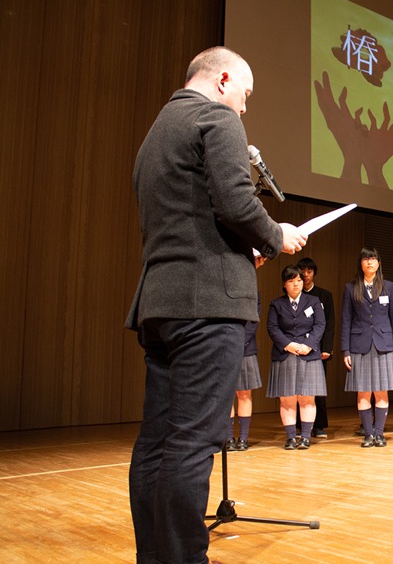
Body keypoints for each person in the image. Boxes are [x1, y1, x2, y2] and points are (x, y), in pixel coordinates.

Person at [125, 46, 307, 564]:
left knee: (157, 441)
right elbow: (234, 201)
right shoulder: (216, 117)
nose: (245, 109)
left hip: (160, 305)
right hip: (208, 307)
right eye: (246, 96)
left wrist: (242, 244)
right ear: (224, 80)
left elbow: (191, 216)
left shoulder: (155, 134)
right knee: (192, 442)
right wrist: (275, 236)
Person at [340, 247, 393, 447]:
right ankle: (368, 433)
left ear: (378, 263)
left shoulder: (389, 287)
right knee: (363, 391)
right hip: (359, 345)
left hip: (384, 344)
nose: (369, 262)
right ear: (361, 263)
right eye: (366, 259)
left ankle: (379, 433)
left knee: (382, 391)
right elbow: (346, 321)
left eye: (373, 258)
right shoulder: (351, 288)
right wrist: (345, 350)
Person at [267, 265, 327, 450]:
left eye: (299, 280)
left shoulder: (314, 301)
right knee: (287, 398)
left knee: (307, 397)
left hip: (308, 354)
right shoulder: (277, 304)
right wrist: (288, 345)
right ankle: (291, 437)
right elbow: (272, 328)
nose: (296, 284)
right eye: (291, 281)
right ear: (284, 284)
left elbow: (320, 324)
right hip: (285, 354)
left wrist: (308, 346)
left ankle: (306, 437)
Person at [226, 256, 267, 452]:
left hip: (246, 347)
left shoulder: (253, 291)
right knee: (226, 395)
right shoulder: (224, 288)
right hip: (225, 347)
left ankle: (243, 437)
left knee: (245, 393)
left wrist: (241, 340)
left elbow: (254, 320)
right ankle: (227, 437)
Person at [296, 257, 335, 438]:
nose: (305, 275)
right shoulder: (294, 295)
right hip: (297, 348)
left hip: (318, 349)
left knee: (317, 388)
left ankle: (318, 425)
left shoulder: (324, 296)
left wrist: (327, 347)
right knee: (299, 388)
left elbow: (329, 324)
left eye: (309, 271)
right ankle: (301, 426)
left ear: (314, 273)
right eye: (302, 271)